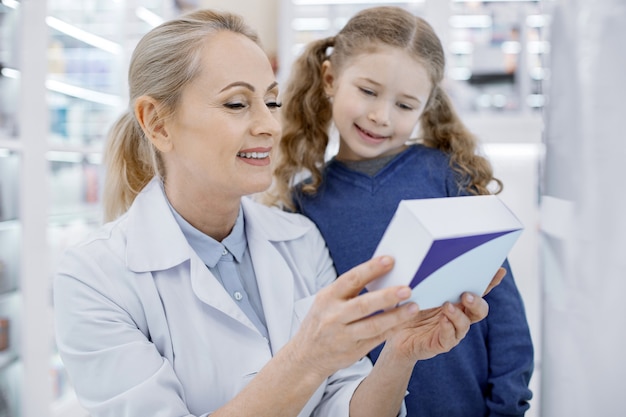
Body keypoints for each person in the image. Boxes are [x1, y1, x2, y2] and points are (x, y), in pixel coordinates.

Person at [52, 9, 502, 417]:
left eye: (270, 101)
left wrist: (400, 352)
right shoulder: (93, 277)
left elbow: (343, 402)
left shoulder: (300, 238)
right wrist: (308, 357)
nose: (269, 125)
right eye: (236, 103)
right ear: (157, 123)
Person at [266, 6, 534, 417]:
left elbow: (504, 313)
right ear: (330, 79)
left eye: (405, 105)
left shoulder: (446, 176)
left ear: (425, 108)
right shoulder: (304, 206)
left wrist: (507, 406)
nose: (381, 116)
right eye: (368, 91)